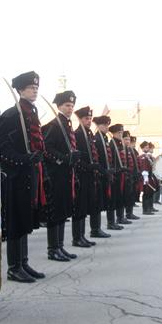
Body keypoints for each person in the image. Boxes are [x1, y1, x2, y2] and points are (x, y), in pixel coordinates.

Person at [0, 71, 47, 283]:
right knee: (16, 221)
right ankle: (13, 267)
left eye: (36, 87)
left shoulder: (31, 112)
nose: (34, 90)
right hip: (15, 176)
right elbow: (2, 148)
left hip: (30, 174)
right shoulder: (11, 115)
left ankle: (23, 262)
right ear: (19, 90)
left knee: (26, 219)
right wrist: (23, 159)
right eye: (30, 87)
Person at [41, 90, 81, 261]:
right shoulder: (54, 125)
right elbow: (46, 148)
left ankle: (60, 246)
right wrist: (63, 158)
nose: (70, 108)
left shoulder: (67, 125)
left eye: (72, 105)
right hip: (56, 174)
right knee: (56, 212)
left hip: (66, 174)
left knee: (63, 211)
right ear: (59, 106)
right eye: (67, 105)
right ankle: (52, 249)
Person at [72, 106, 100, 248]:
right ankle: (77, 237)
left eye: (90, 119)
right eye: (86, 118)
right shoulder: (77, 134)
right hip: (81, 175)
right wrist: (87, 166)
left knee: (84, 207)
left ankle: (82, 236)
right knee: (79, 206)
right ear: (80, 119)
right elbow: (77, 157)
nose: (89, 121)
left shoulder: (88, 134)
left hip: (89, 175)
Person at [91, 115, 115, 236]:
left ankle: (97, 228)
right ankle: (95, 229)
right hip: (99, 175)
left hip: (105, 174)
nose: (106, 127)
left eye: (107, 125)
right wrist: (102, 171)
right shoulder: (97, 139)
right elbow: (97, 158)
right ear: (98, 126)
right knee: (96, 204)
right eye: (104, 125)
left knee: (100, 203)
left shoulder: (103, 138)